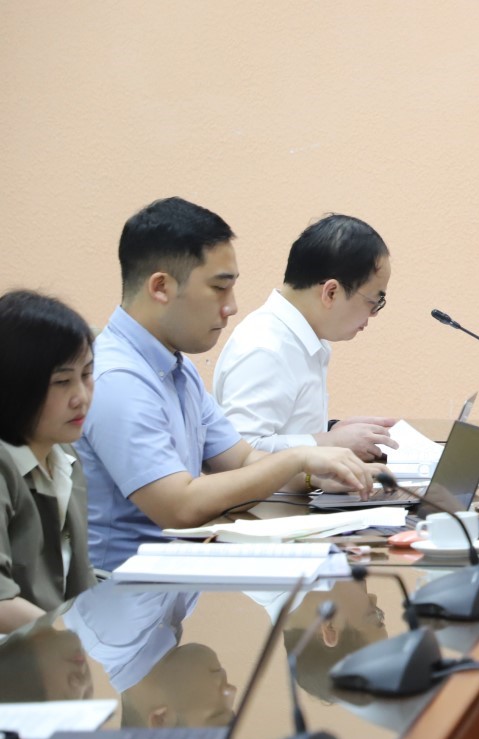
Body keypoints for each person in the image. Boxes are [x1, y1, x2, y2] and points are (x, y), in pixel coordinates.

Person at [78, 197, 381, 571]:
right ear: (161, 287)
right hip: (125, 588)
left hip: (176, 575)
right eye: (219, 288)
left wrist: (316, 472)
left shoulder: (177, 368)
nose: (232, 306)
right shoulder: (118, 379)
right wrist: (299, 457)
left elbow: (241, 460)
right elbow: (179, 507)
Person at [214, 214, 398, 461]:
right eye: (374, 301)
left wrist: (333, 431)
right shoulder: (265, 348)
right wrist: (329, 442)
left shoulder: (304, 337)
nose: (374, 314)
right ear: (331, 292)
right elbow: (239, 454)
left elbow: (286, 431)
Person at [0, 290, 98, 634]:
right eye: (62, 382)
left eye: (87, 375)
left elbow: (80, 580)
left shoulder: (65, 456)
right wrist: (65, 639)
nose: (81, 397)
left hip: (47, 649)